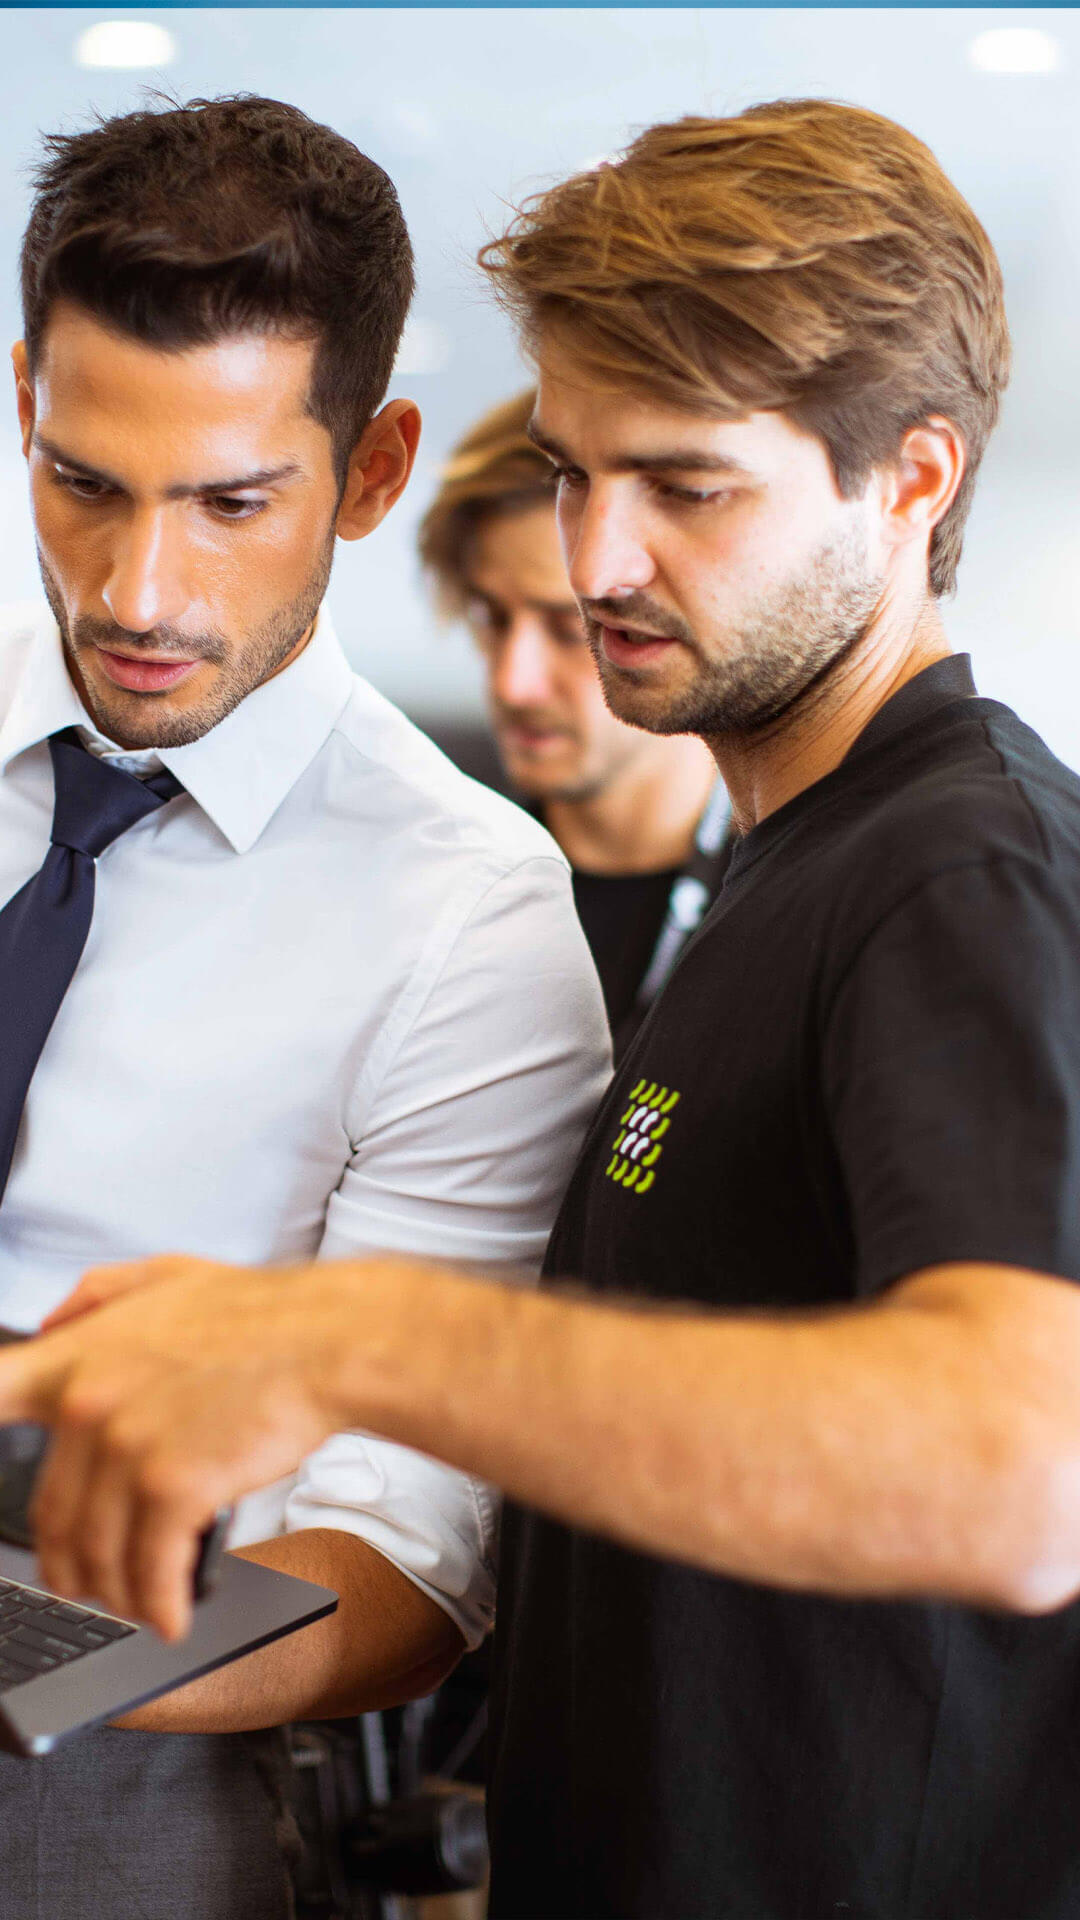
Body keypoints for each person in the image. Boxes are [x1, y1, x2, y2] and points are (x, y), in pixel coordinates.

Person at [10, 95, 1080, 1920]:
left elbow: (1024, 1467)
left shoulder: (960, 868)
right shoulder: (798, 872)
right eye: (580, 477)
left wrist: (343, 1344)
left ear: (914, 481)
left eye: (688, 488)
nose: (595, 565)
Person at [0, 94, 608, 1919]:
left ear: (374, 466)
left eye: (232, 503)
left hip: (119, 1749)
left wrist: (37, 1656)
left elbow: (406, 1563)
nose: (138, 592)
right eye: (84, 482)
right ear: (24, 396)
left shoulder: (469, 918)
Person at [419, 391, 727, 1053]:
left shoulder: (795, 893)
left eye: (568, 628)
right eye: (492, 619)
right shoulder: (432, 875)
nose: (513, 682)